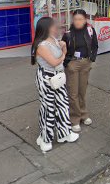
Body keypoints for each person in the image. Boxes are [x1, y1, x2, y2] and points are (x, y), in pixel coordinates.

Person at [31, 17, 79, 152]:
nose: (56, 28)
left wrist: (62, 45)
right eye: (53, 26)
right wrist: (64, 53)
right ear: (47, 28)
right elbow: (54, 62)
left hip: (58, 78)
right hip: (46, 79)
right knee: (48, 108)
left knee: (63, 104)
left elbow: (60, 45)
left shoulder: (52, 39)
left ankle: (65, 134)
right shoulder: (41, 45)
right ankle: (45, 138)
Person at [63, 9, 98, 132]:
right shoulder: (68, 33)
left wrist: (92, 58)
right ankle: (75, 119)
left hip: (85, 63)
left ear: (85, 20)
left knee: (82, 91)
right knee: (73, 93)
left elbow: (95, 45)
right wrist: (67, 63)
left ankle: (83, 114)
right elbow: (63, 50)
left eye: (81, 19)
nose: (78, 22)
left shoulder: (90, 30)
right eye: (76, 19)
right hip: (72, 64)